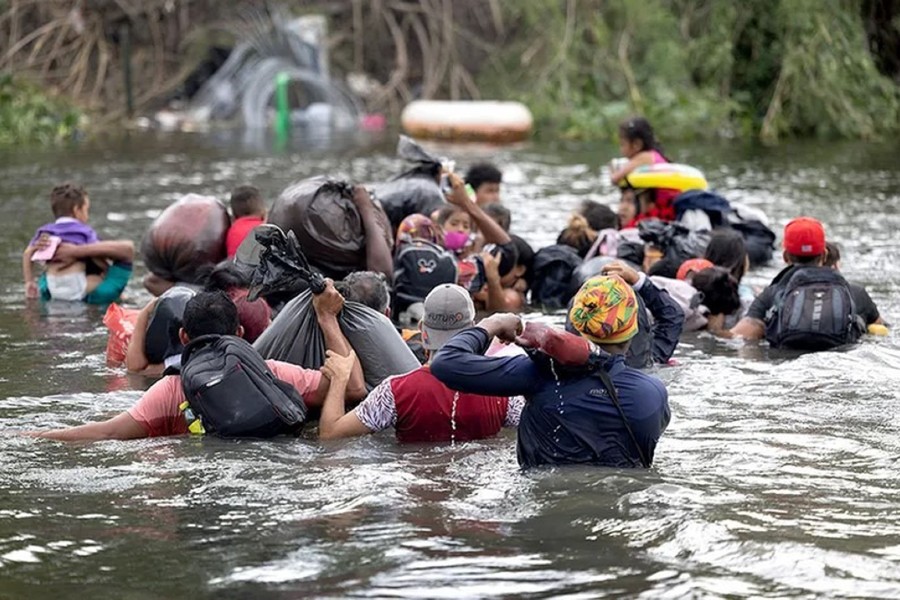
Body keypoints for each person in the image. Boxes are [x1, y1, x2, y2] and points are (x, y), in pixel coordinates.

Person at [29, 284, 366, 441]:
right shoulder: (274, 372)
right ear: (240, 333)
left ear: (183, 337)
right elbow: (353, 388)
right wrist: (326, 318)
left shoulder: (170, 389)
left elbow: (108, 432)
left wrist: (34, 434)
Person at [430, 273, 670, 469]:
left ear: (572, 324)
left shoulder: (540, 375)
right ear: (632, 331)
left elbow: (446, 363)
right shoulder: (653, 394)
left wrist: (491, 323)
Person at [317, 284, 524, 442]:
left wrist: (339, 379)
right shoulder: (503, 391)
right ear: (474, 330)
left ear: (422, 331)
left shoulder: (394, 391)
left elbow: (331, 435)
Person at [707, 217, 883, 342]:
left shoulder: (772, 294)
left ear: (785, 257)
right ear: (824, 254)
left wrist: (712, 330)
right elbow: (881, 331)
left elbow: (738, 336)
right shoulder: (856, 293)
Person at [23, 183, 132, 304]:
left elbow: (28, 253)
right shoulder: (83, 231)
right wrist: (106, 271)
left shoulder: (44, 231)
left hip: (53, 286)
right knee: (99, 279)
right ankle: (120, 296)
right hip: (77, 284)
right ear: (77, 210)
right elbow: (97, 256)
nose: (87, 215)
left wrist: (29, 282)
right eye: (86, 210)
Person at [610, 117, 679, 225]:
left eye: (622, 144)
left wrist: (613, 169)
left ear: (637, 144)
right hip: (667, 207)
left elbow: (615, 179)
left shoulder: (644, 157)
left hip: (660, 209)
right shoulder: (655, 155)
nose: (621, 149)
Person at [225, 185, 267, 258]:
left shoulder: (231, 231)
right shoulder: (265, 229)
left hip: (234, 266)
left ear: (233, 215)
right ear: (262, 210)